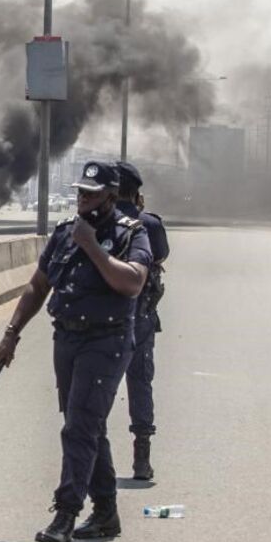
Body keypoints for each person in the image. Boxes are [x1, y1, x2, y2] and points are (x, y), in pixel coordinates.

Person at [0, 161, 152, 542]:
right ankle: (106, 510)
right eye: (80, 193)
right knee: (85, 424)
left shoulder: (131, 234)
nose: (83, 200)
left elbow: (132, 282)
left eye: (92, 194)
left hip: (107, 341)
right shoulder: (64, 233)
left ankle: (65, 515)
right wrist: (11, 334)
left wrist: (93, 247)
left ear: (111, 197)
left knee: (79, 426)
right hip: (67, 339)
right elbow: (38, 285)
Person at [115, 161, 170, 481]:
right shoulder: (149, 224)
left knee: (95, 390)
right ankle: (141, 458)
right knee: (140, 382)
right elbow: (160, 257)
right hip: (141, 316)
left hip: (102, 317)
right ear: (136, 193)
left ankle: (92, 459)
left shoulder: (98, 222)